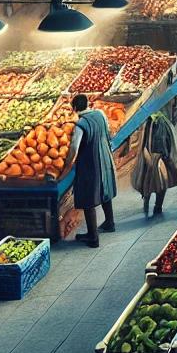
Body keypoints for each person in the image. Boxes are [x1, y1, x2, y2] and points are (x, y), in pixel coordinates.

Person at [70, 94, 117, 247]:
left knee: (88, 197)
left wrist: (68, 164)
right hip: (104, 157)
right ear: (88, 104)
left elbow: (74, 149)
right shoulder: (100, 114)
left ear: (75, 108)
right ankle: (110, 222)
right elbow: (108, 130)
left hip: (90, 164)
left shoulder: (80, 124)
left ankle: (93, 237)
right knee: (105, 189)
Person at [131, 110, 177, 218]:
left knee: (153, 182)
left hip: (156, 156)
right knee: (159, 183)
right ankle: (155, 205)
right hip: (157, 156)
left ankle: (153, 204)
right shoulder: (159, 121)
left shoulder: (153, 122)